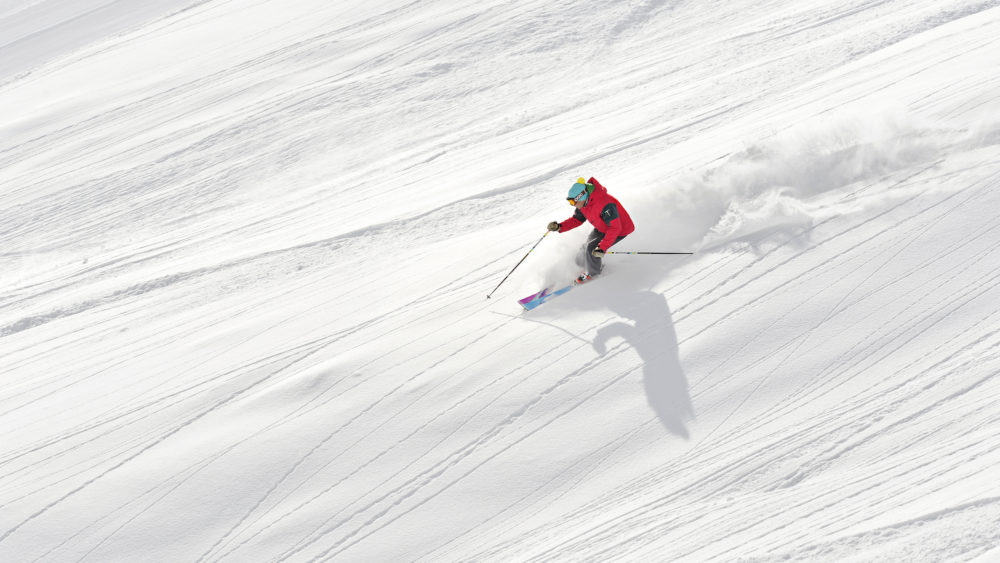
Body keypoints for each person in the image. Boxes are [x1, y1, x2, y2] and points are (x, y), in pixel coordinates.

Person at [547, 176, 635, 281]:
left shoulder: (605, 203)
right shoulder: (583, 204)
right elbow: (577, 220)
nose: (573, 205)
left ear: (581, 196)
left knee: (592, 249)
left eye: (573, 202)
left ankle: (594, 274)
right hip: (603, 227)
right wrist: (559, 227)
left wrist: (602, 247)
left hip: (620, 229)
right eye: (571, 202)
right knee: (584, 247)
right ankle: (580, 266)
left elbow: (615, 228)